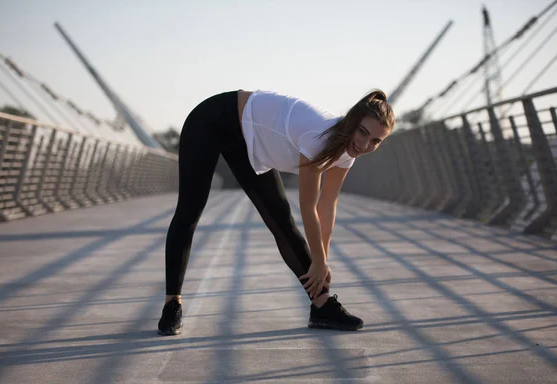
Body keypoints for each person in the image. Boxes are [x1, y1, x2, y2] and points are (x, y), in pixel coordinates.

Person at [157, 88, 395, 335]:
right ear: (353, 120)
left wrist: (322, 259)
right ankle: (172, 304)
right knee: (189, 211)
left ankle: (321, 306)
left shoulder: (348, 152)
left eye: (376, 141)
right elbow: (308, 206)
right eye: (363, 132)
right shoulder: (319, 136)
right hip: (213, 119)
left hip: (249, 142)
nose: (365, 144)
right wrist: (319, 262)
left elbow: (328, 204)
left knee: (281, 220)